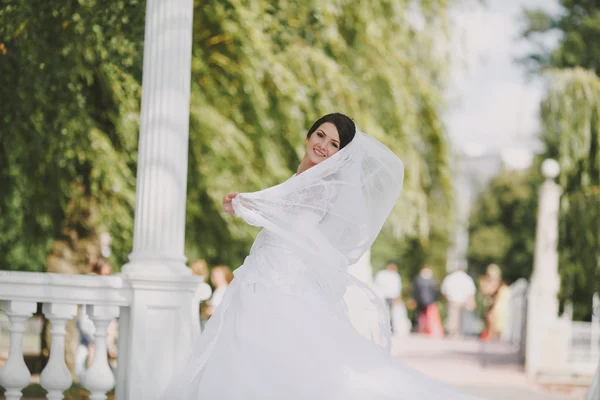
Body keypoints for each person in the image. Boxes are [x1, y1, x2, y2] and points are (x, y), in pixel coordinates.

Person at [161, 113, 480, 399]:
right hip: (263, 271)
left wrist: (246, 204)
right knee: (249, 349)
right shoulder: (299, 179)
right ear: (308, 136)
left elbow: (284, 214)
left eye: (334, 144)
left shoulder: (324, 186)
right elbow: (278, 206)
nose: (324, 146)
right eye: (320, 136)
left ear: (341, 155)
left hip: (279, 277)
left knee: (269, 348)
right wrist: (245, 205)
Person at [441, 265, 476, 338]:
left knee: (452, 317)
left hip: (452, 300)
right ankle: (459, 333)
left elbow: (443, 290)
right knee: (462, 317)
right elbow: (471, 291)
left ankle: (452, 332)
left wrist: (446, 299)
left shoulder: (449, 277)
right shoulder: (467, 278)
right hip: (463, 300)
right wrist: (472, 301)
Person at [412, 265, 444, 338]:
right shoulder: (432, 280)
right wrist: (436, 300)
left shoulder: (418, 279)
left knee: (421, 315)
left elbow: (415, 291)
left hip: (421, 300)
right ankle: (428, 329)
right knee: (429, 316)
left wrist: (414, 299)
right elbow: (435, 291)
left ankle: (422, 329)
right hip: (430, 301)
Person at [374, 261, 402, 332]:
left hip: (391, 296)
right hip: (384, 295)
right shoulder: (382, 274)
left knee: (391, 313)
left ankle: (390, 328)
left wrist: (397, 296)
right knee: (385, 312)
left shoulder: (395, 275)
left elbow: (397, 287)